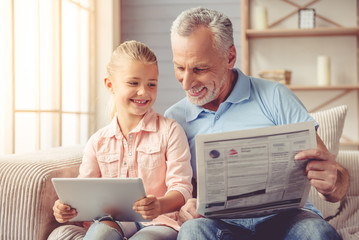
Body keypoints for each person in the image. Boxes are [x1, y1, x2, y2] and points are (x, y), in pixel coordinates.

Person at [164, 7, 349, 240]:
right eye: (179, 67)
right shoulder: (174, 119)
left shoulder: (275, 96)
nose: (186, 82)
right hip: (219, 225)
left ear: (230, 57)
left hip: (287, 219)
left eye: (199, 69)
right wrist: (182, 208)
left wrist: (334, 183)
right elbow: (174, 190)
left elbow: (337, 177)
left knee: (317, 233)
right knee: (192, 231)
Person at [51, 40, 193, 240]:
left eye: (151, 84)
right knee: (100, 234)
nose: (143, 91)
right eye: (133, 83)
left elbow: (182, 188)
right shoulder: (98, 141)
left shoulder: (170, 131)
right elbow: (83, 193)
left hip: (160, 221)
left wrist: (159, 204)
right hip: (113, 220)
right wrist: (65, 208)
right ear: (110, 85)